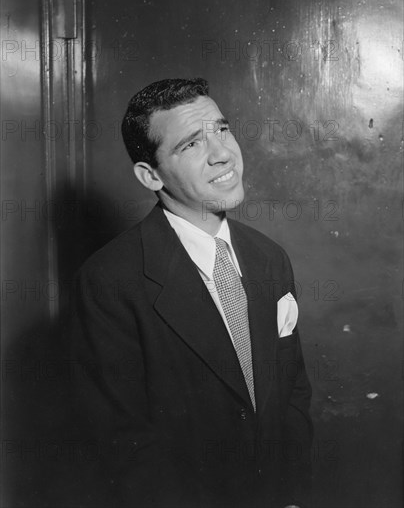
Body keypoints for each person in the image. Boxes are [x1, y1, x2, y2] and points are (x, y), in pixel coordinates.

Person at [69, 78, 313, 508]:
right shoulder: (108, 281)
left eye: (221, 129)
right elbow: (123, 440)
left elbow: (292, 393)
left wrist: (289, 493)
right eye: (190, 145)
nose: (223, 153)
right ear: (149, 176)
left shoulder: (269, 258)